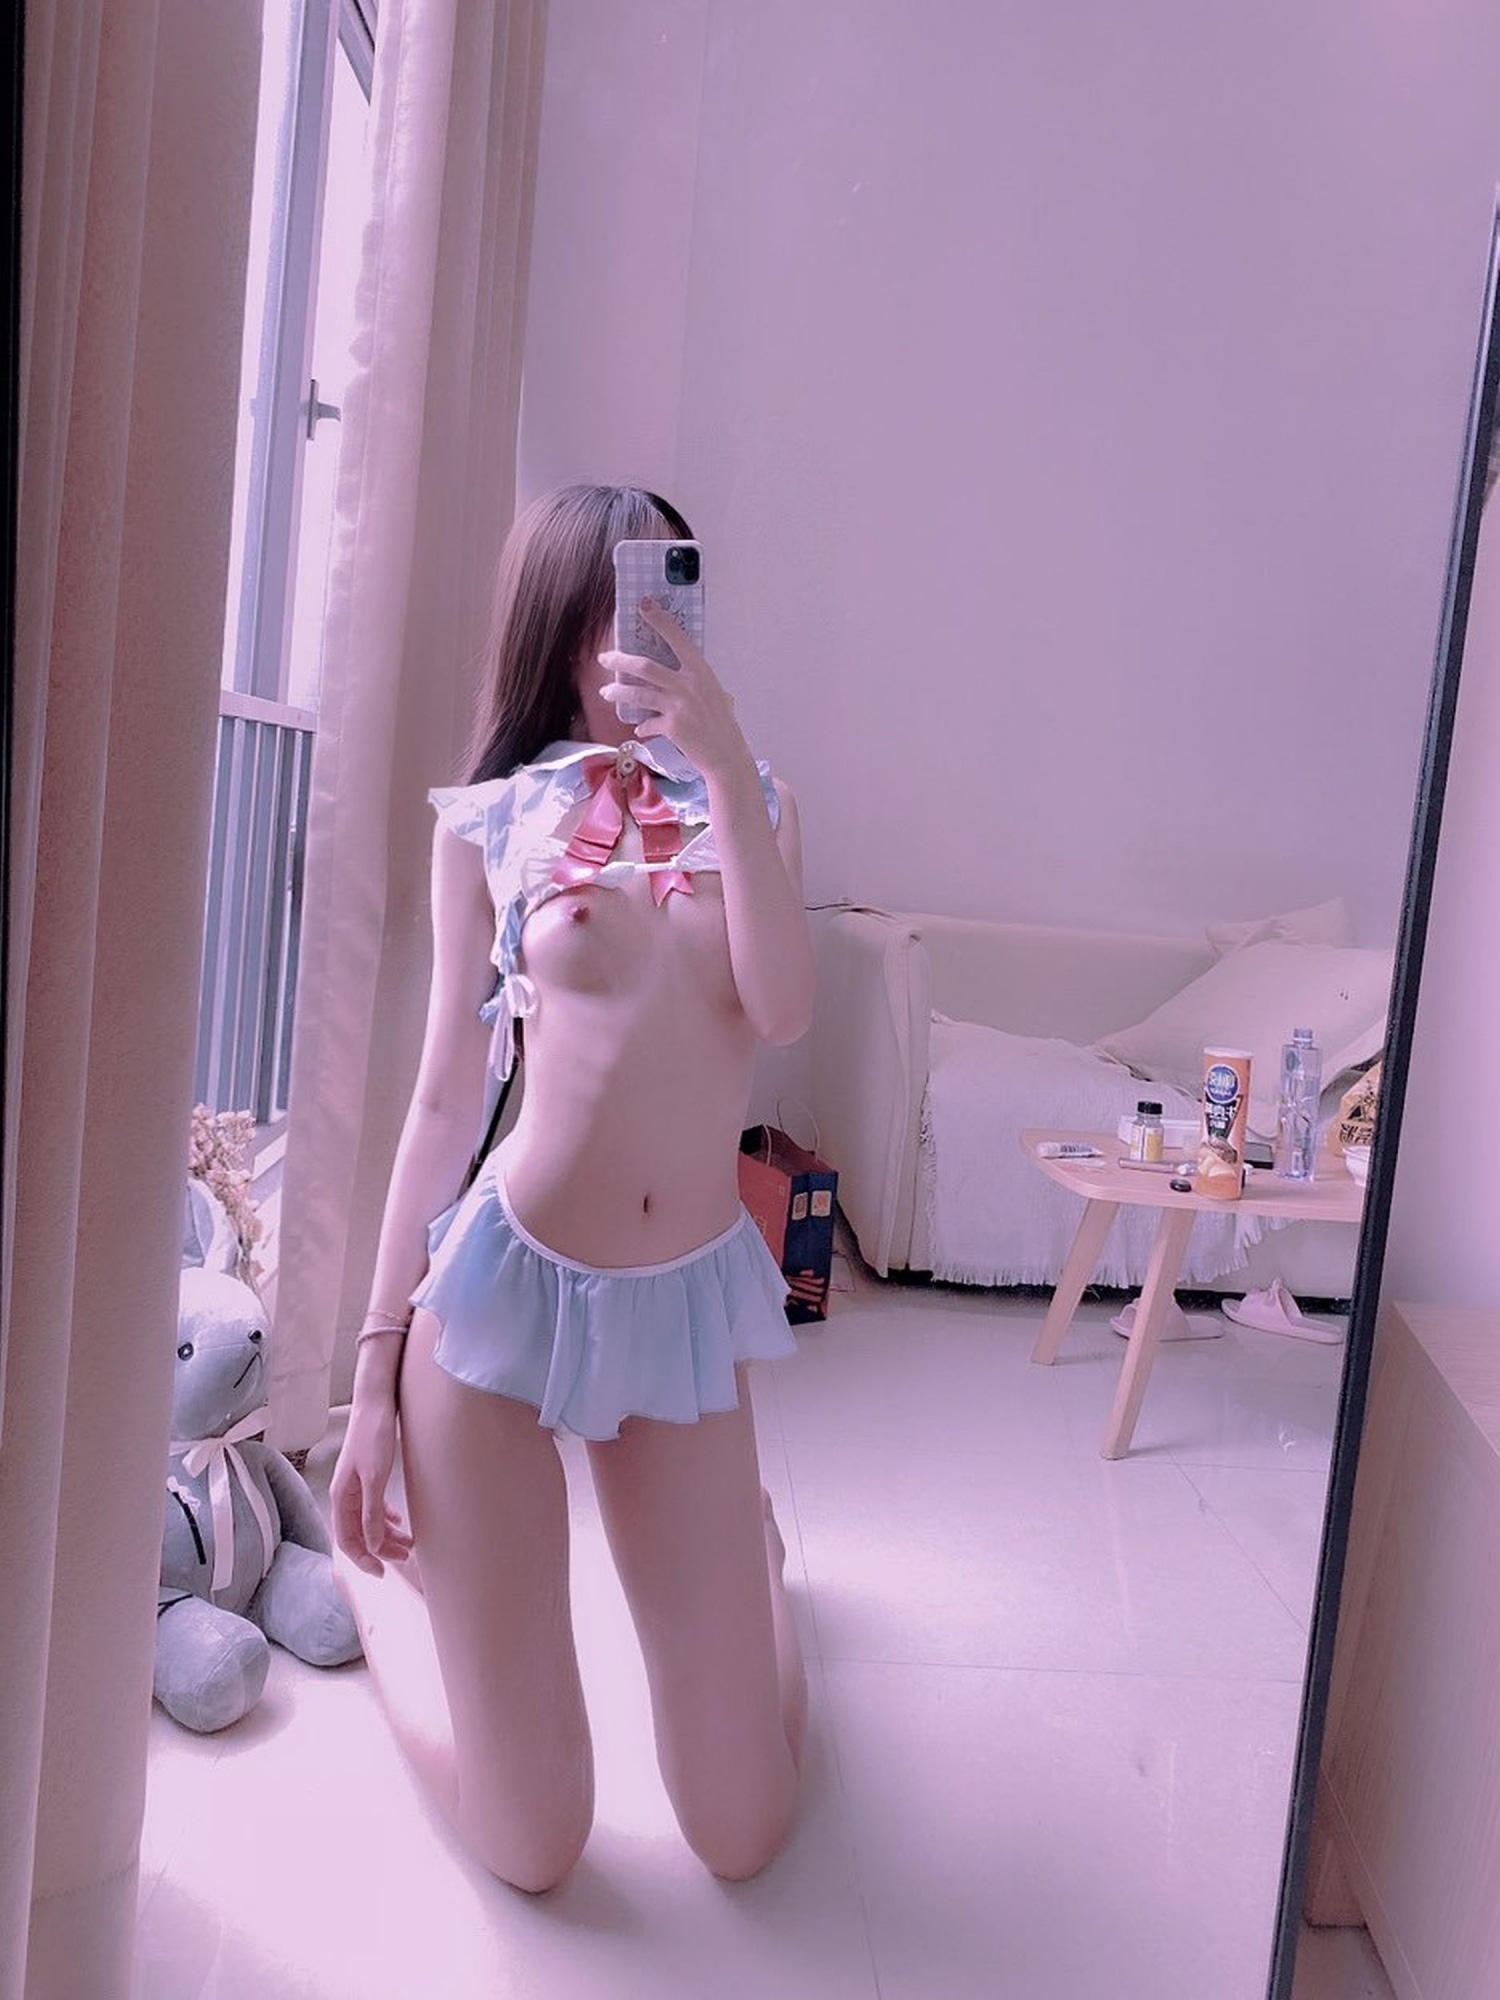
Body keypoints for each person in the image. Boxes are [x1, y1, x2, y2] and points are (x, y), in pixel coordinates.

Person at [329, 483, 813, 1895]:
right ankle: (381, 1605)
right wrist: (372, 1376)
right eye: (612, 607)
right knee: (535, 1845)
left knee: (743, 1833)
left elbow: (782, 1012)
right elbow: (443, 1101)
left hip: (679, 1309)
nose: (641, 638)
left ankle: (762, 1575)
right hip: (496, 1301)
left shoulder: (759, 803)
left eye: (666, 599)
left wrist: (724, 767)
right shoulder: (489, 820)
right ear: (558, 625)